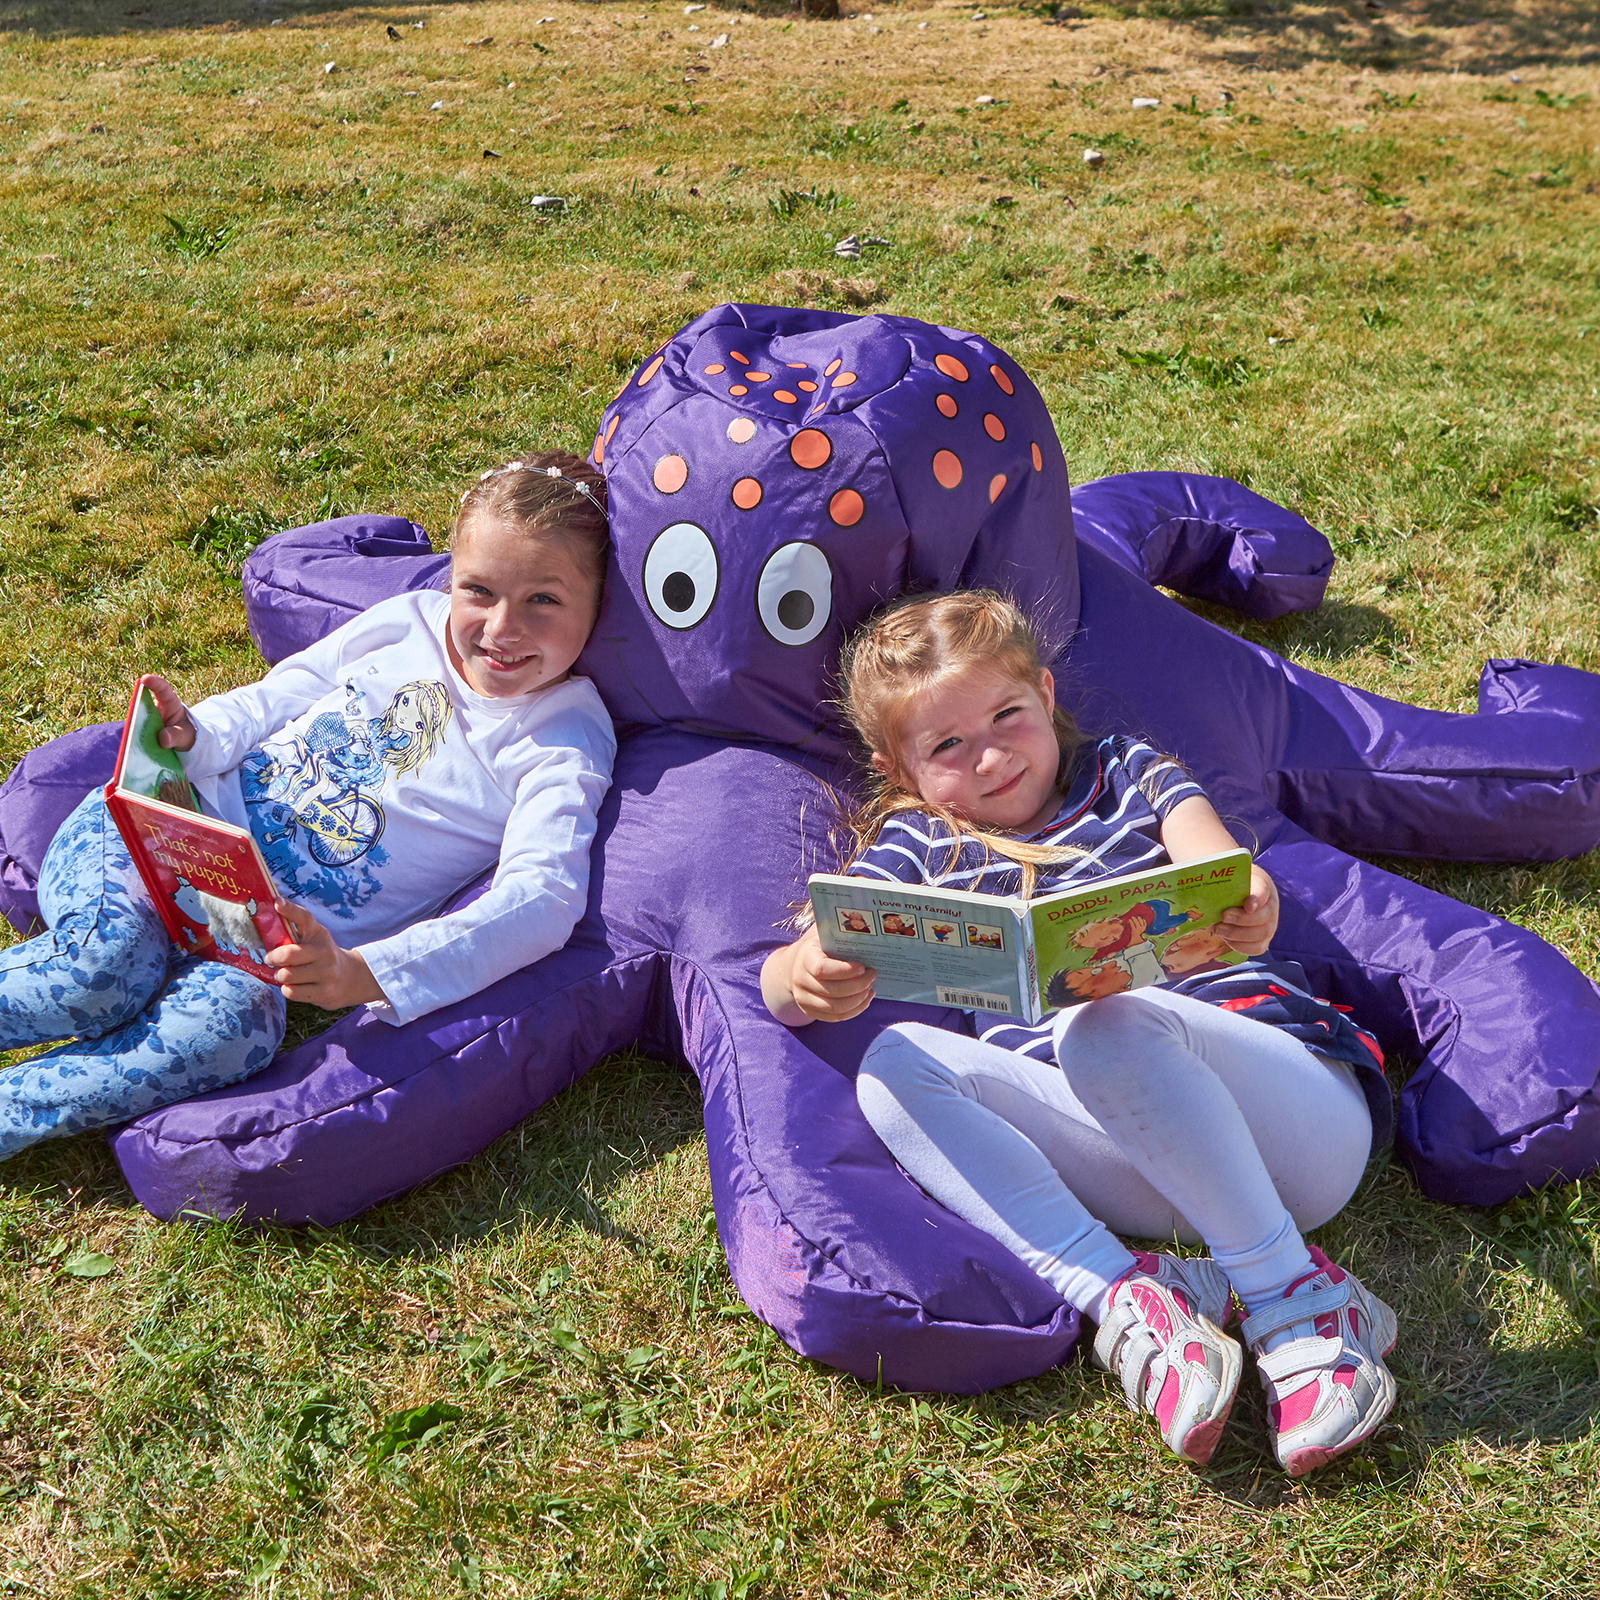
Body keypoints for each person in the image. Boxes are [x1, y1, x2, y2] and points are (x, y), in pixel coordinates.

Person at [760, 591, 1397, 1476]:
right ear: (897, 769)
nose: (990, 758)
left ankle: (1302, 1299)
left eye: (1007, 716)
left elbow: (1220, 864)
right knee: (891, 1065)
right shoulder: (922, 844)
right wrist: (803, 975)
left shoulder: (1127, 770)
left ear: (1047, 693)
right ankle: (1132, 1298)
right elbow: (793, 970)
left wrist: (1246, 900)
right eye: (947, 746)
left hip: (1296, 1120)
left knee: (1102, 1025)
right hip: (1137, 1171)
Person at [0, 452, 616, 1164]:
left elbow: (541, 898)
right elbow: (276, 698)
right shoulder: (408, 625)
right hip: (159, 831)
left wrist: (364, 971)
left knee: (233, 1031)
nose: (501, 628)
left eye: (544, 601)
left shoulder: (564, 736)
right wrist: (196, 735)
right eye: (478, 589)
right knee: (105, 965)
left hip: (253, 944)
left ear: (599, 605)